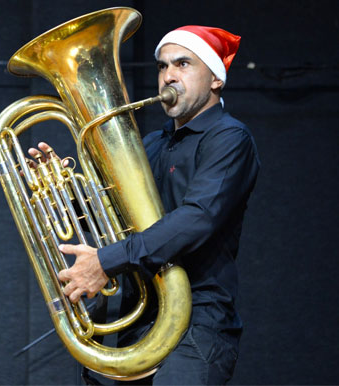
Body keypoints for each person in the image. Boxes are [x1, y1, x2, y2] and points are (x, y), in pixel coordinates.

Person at [30, 26, 260, 384]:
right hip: (137, 321)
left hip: (197, 323)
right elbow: (111, 216)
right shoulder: (151, 143)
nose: (168, 76)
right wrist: (63, 191)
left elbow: (197, 219)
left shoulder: (229, 138)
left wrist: (105, 262)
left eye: (183, 64)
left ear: (216, 79)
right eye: (162, 66)